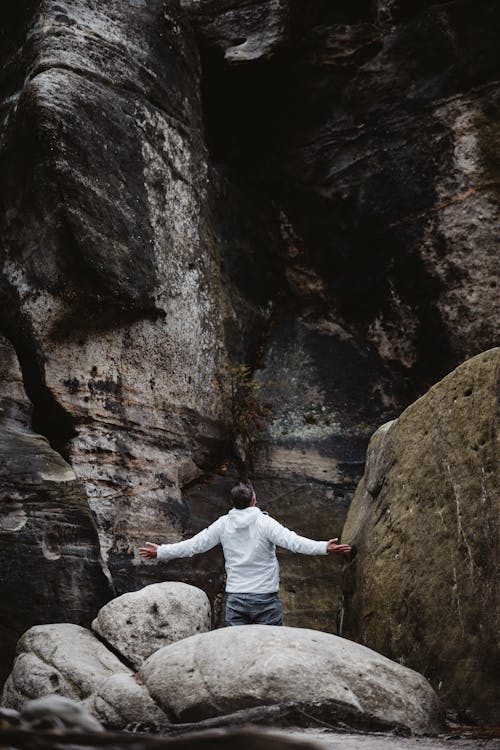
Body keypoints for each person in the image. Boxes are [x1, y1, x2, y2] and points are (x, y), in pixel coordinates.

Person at [139, 481, 351, 626]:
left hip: (236, 598)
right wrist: (325, 547)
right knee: (270, 650)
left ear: (233, 503)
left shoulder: (223, 524)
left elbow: (195, 545)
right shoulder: (264, 523)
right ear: (254, 501)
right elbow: (293, 542)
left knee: (237, 653)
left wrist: (161, 551)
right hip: (265, 600)